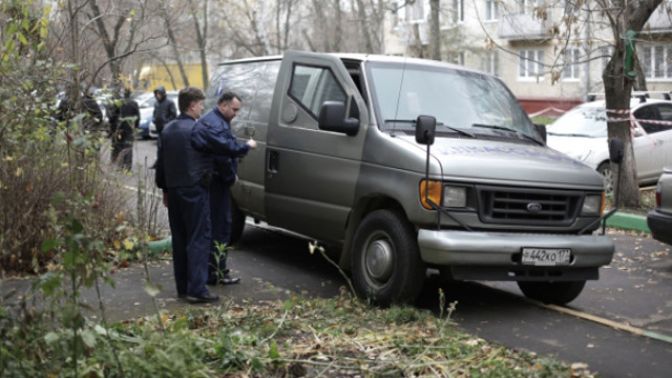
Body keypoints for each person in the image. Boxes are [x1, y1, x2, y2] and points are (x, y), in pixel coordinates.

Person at [155, 87, 219, 304]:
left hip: (173, 191)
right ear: (192, 105)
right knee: (198, 238)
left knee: (179, 239)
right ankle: (198, 289)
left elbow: (161, 164)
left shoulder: (168, 130)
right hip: (195, 190)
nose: (203, 107)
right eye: (201, 104)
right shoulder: (197, 129)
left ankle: (182, 288)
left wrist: (164, 189)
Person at [192, 92, 256, 286]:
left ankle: (215, 270)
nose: (236, 113)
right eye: (234, 109)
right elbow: (223, 152)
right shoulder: (216, 124)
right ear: (223, 106)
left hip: (211, 180)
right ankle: (217, 272)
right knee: (220, 227)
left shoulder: (214, 121)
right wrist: (246, 148)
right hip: (216, 182)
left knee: (215, 226)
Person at [110, 88, 139, 170]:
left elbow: (113, 116)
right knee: (128, 146)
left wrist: (114, 127)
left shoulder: (120, 103)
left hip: (120, 128)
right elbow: (137, 117)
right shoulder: (134, 103)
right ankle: (128, 166)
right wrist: (136, 127)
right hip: (129, 127)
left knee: (120, 146)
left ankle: (120, 165)